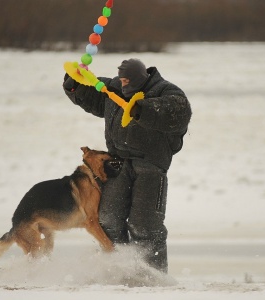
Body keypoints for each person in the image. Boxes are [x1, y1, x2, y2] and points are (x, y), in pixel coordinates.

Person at [63, 58, 192, 273]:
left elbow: (178, 112)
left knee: (144, 225)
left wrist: (142, 109)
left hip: (150, 165)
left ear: (140, 78)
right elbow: (94, 93)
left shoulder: (165, 91)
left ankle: (154, 276)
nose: (122, 85)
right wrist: (74, 84)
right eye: (120, 80)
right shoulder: (113, 89)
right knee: (108, 219)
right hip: (118, 163)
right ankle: (119, 270)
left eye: (126, 81)